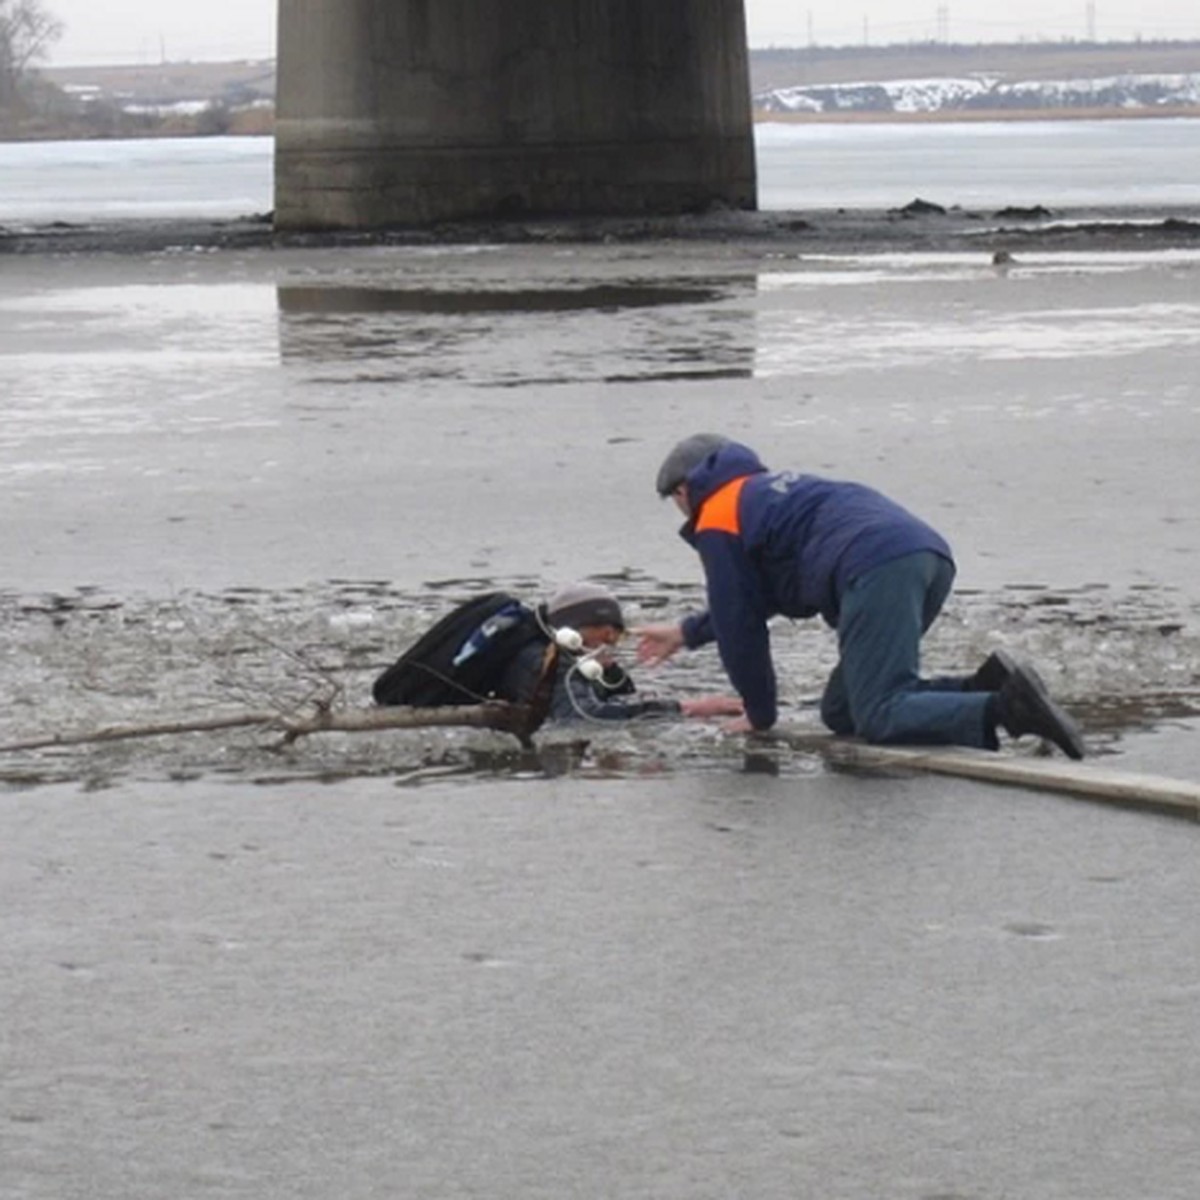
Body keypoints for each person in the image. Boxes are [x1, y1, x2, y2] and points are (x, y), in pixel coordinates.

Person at [635, 433, 1085, 759]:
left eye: (674, 499)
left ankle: (1008, 708)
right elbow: (756, 598)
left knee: (880, 713)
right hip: (926, 557)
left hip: (875, 568)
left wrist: (760, 713)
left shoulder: (718, 515)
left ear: (684, 489)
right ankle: (983, 685)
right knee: (842, 710)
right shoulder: (762, 494)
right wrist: (685, 632)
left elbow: (740, 626)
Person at [497, 581, 743, 724]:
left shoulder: (561, 654)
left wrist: (610, 672)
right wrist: (688, 708)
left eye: (617, 636)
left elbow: (622, 698)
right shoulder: (551, 661)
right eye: (606, 635)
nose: (611, 644)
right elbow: (585, 718)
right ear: (574, 631)